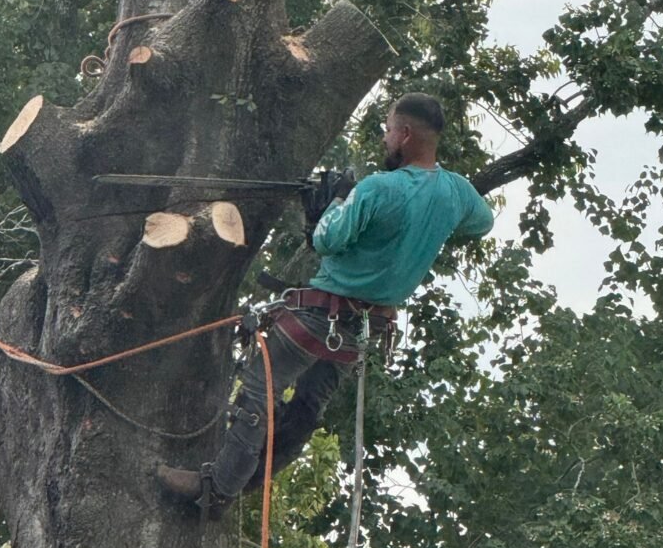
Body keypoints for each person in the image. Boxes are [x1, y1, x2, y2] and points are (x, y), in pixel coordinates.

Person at [158, 92, 494, 513]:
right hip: (359, 334)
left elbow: (326, 240)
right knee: (307, 407)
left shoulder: (378, 188)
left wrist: (337, 202)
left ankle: (219, 488)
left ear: (405, 134)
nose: (385, 138)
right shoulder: (456, 193)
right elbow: (483, 222)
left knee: (258, 391)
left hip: (318, 319)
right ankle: (252, 479)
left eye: (388, 130)